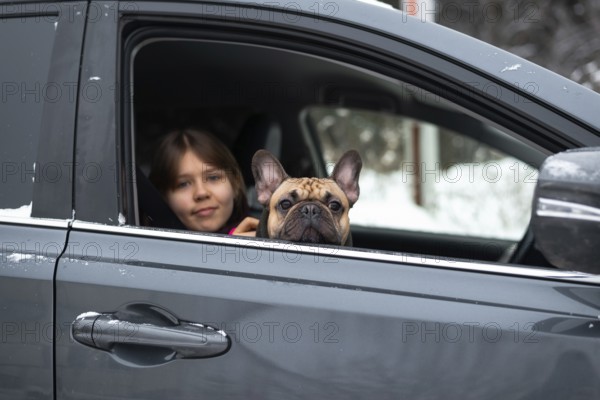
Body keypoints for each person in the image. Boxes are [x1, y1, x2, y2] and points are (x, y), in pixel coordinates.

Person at [149, 128, 258, 236]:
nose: (201, 193)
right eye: (183, 184)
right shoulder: (150, 249)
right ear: (163, 197)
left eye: (213, 178)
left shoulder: (261, 239)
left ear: (235, 184)